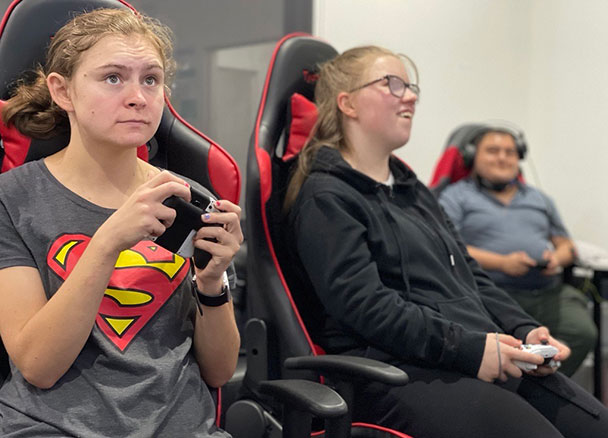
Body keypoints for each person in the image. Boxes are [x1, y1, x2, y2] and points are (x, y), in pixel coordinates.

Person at [282, 45, 608, 437]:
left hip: (459, 354)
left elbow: (470, 276)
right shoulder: (326, 197)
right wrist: (469, 349)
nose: (412, 96)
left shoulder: (412, 189)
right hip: (396, 369)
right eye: (393, 84)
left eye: (411, 86)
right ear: (348, 104)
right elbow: (365, 307)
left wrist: (522, 328)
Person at [0, 8, 241, 437]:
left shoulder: (188, 197)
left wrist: (212, 282)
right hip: (53, 427)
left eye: (150, 79)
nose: (138, 96)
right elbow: (39, 366)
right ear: (63, 91)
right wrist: (110, 238)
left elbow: (220, 372)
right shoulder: (13, 199)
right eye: (113, 77)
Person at [437, 127, 597, 377]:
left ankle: (544, 390)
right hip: (490, 294)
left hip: (546, 291)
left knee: (581, 333)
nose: (502, 158)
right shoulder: (455, 197)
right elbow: (446, 246)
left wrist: (557, 259)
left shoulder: (539, 198)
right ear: (471, 157)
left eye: (510, 152)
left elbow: (566, 245)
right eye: (493, 151)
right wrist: (502, 263)